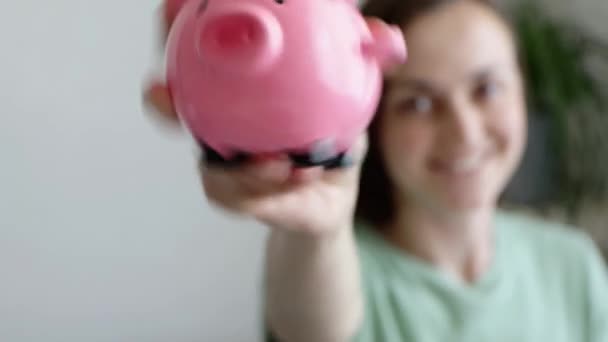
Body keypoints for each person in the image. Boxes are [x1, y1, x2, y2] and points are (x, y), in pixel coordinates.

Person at [143, 0, 608, 340]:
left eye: (486, 88)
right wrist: (318, 233)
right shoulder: (337, 272)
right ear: (373, 118)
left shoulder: (571, 263)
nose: (464, 133)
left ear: (524, 91)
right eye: (418, 103)